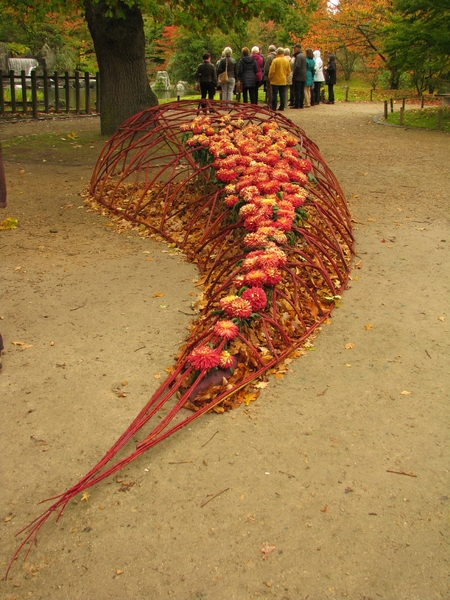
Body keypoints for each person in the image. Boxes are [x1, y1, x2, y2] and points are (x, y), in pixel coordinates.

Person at [268, 47, 291, 111]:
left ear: (277, 52)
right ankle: (282, 106)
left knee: (274, 94)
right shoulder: (286, 61)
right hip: (283, 79)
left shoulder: (275, 60)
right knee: (282, 94)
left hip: (275, 80)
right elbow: (289, 71)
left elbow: (272, 71)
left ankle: (274, 106)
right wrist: (285, 75)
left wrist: (270, 77)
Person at [292, 43, 307, 109]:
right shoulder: (304, 56)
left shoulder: (298, 56)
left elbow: (297, 66)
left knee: (297, 91)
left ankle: (297, 104)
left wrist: (294, 74)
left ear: (297, 48)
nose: (293, 50)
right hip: (303, 75)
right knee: (301, 90)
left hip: (298, 76)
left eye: (294, 48)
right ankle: (301, 104)